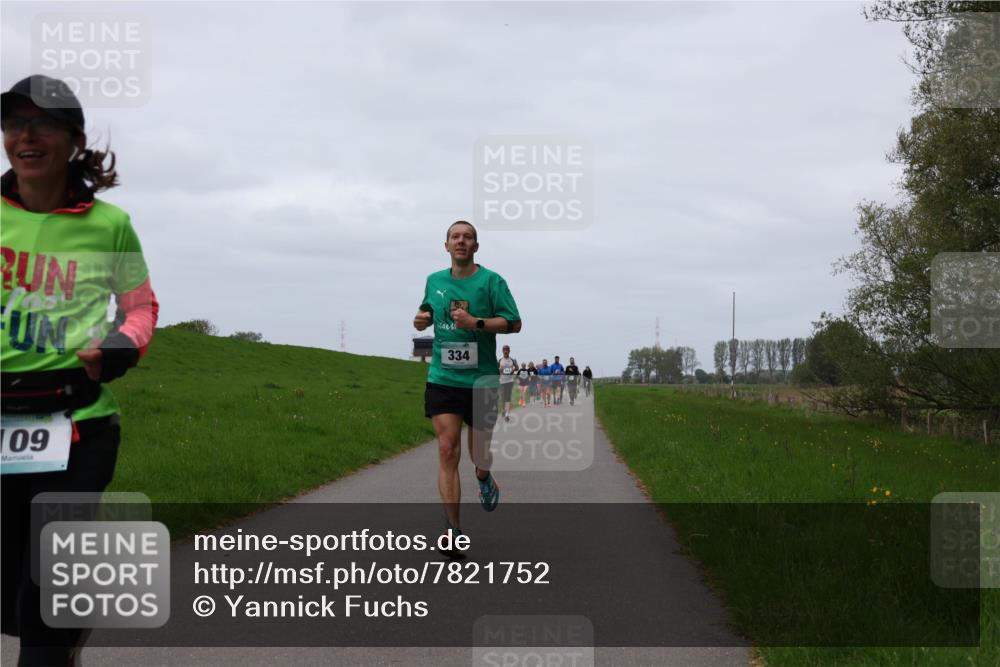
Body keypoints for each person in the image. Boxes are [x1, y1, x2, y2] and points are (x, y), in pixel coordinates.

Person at [1, 74, 159, 666]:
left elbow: (141, 307)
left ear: (73, 139)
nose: (26, 135)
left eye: (42, 122)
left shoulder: (108, 225)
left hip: (77, 424)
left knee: (42, 604)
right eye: (15, 123)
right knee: (13, 598)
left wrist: (120, 346)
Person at [413, 220, 521, 557]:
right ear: (446, 246)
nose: (461, 241)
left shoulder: (492, 281)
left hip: (482, 379)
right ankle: (453, 530)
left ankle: (484, 476)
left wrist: (477, 323)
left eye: (468, 237)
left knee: (480, 453)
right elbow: (430, 308)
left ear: (476, 246)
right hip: (443, 377)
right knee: (447, 450)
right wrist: (422, 317)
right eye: (455, 237)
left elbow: (514, 323)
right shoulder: (434, 280)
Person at [497, 345, 517, 422]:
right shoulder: (500, 360)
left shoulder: (512, 360)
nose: (505, 351)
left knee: (508, 398)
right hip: (502, 381)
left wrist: (513, 370)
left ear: (509, 351)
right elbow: (497, 371)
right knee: (502, 398)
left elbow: (517, 367)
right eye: (504, 350)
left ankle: (507, 415)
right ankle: (503, 410)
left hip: (510, 381)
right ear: (502, 351)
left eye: (507, 350)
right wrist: (499, 370)